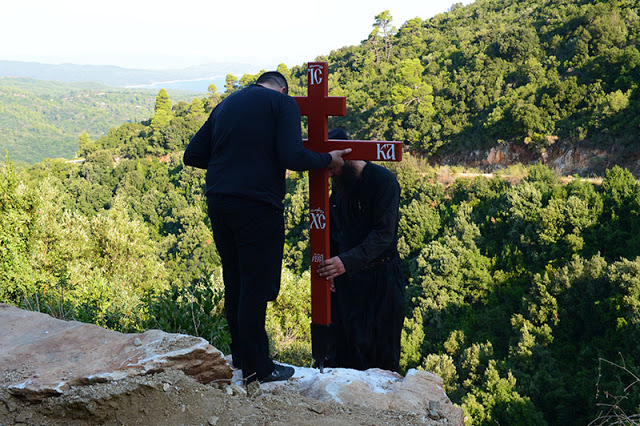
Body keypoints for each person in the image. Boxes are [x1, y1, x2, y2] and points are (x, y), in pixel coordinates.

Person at [183, 72, 351, 384]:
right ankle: (259, 368)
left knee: (235, 280)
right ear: (282, 88)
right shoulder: (282, 103)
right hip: (257, 205)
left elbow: (192, 155)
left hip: (219, 201)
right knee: (256, 286)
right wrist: (329, 157)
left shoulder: (226, 105)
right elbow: (292, 156)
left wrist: (233, 164)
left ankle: (243, 357)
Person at [317, 128, 405, 372]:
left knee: (381, 355)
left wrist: (344, 262)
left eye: (332, 167)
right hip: (347, 281)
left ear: (348, 157)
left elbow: (383, 235)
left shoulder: (384, 182)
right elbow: (333, 229)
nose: (329, 174)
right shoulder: (340, 184)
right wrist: (332, 267)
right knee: (345, 351)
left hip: (381, 280)